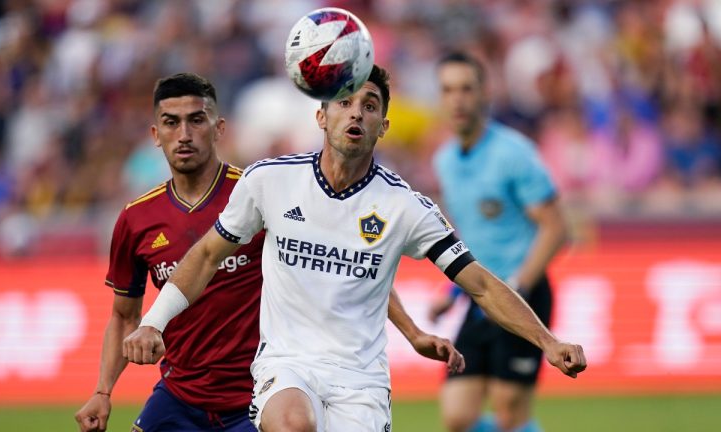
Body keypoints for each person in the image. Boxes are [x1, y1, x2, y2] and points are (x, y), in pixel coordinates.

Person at [123, 65, 586, 432]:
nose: (356, 113)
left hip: (360, 383)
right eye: (344, 102)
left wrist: (548, 340)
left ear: (383, 125)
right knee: (292, 423)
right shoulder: (270, 182)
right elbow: (205, 256)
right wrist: (152, 323)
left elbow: (480, 285)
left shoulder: (406, 208)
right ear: (321, 117)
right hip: (287, 366)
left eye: (369, 105)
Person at [74, 72, 265, 432]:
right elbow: (124, 316)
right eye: (170, 123)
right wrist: (103, 390)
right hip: (180, 396)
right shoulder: (137, 218)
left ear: (219, 128)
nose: (184, 134)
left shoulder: (256, 195)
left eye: (196, 120)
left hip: (255, 397)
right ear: (155, 135)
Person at [427, 52, 570, 432]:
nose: (457, 99)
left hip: (523, 295)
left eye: (466, 89)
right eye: (447, 90)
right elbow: (471, 238)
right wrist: (451, 291)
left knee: (509, 412)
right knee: (457, 416)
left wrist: (520, 285)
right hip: (480, 297)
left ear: (484, 93)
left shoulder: (514, 153)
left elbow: (557, 228)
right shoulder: (445, 161)